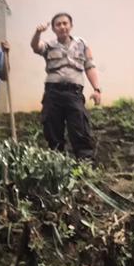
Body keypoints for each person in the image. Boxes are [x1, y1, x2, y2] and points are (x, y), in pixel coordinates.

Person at [31, 12, 102, 159]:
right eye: (58, 24)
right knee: (52, 130)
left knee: (79, 128)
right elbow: (36, 47)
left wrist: (97, 89)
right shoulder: (49, 45)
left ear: (71, 26)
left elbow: (90, 66)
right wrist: (38, 32)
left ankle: (84, 165)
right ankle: (56, 166)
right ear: (54, 29)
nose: (62, 26)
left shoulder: (82, 44)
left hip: (74, 93)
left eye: (65, 23)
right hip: (53, 93)